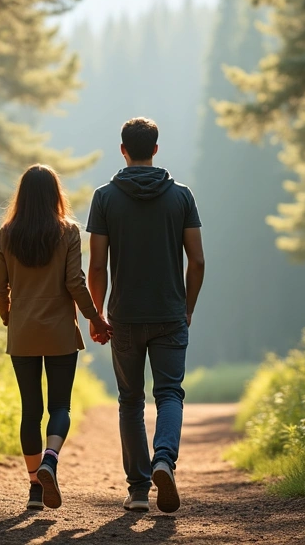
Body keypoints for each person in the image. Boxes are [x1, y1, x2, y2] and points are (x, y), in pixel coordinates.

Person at [86, 117, 206, 513]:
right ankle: (164, 461)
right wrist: (187, 307)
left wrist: (97, 313)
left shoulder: (104, 197)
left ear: (123, 150)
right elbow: (197, 260)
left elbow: (97, 265)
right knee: (169, 393)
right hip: (170, 314)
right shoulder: (181, 196)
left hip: (123, 316)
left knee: (130, 400)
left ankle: (138, 490)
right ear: (155, 149)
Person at [0, 164, 113, 511]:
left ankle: (34, 489)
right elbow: (75, 282)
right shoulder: (68, 231)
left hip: (23, 332)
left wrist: (10, 318)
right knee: (60, 406)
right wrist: (95, 319)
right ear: (54, 195)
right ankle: (50, 460)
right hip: (59, 331)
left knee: (30, 410)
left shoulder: (6, 234)